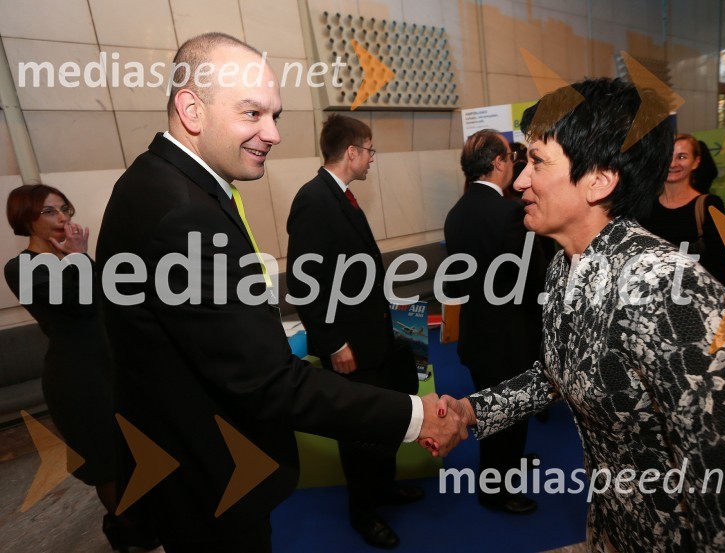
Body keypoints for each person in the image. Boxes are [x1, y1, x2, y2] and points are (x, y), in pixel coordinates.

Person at [95, 32, 464, 553]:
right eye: (251, 115)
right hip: (210, 472)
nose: (272, 133)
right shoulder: (183, 214)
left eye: (276, 115)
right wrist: (415, 415)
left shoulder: (157, 181)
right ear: (191, 109)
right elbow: (269, 382)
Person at [436, 78, 725, 552]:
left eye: (537, 161)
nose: (518, 180)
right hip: (611, 526)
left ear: (600, 179)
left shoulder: (675, 299)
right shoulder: (564, 263)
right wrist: (471, 411)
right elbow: (560, 374)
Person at [286, 114, 423, 549]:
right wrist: (333, 343)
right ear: (352, 152)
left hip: (372, 341)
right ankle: (363, 513)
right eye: (369, 151)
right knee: (359, 432)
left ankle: (382, 489)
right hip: (348, 346)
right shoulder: (314, 199)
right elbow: (305, 284)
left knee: (380, 423)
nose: (371, 159)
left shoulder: (340, 197)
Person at [4, 184, 158, 552]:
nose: (63, 218)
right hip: (77, 380)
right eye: (50, 212)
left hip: (116, 370)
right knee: (105, 464)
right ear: (26, 220)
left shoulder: (79, 259)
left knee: (139, 456)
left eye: (65, 209)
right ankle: (130, 537)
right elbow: (80, 304)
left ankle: (151, 527)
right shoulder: (21, 268)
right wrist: (78, 258)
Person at [443, 130, 544, 515]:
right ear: (499, 162)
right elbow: (534, 281)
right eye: (511, 156)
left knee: (495, 412)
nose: (515, 162)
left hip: (477, 332)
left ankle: (508, 470)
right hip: (510, 337)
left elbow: (455, 282)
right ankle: (495, 490)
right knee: (507, 415)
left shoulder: (456, 213)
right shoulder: (512, 213)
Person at [639, 134, 725, 288]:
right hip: (653, 298)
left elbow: (722, 265)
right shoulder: (644, 204)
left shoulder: (708, 205)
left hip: (693, 298)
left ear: (696, 162)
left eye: (682, 157)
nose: (673, 163)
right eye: (668, 156)